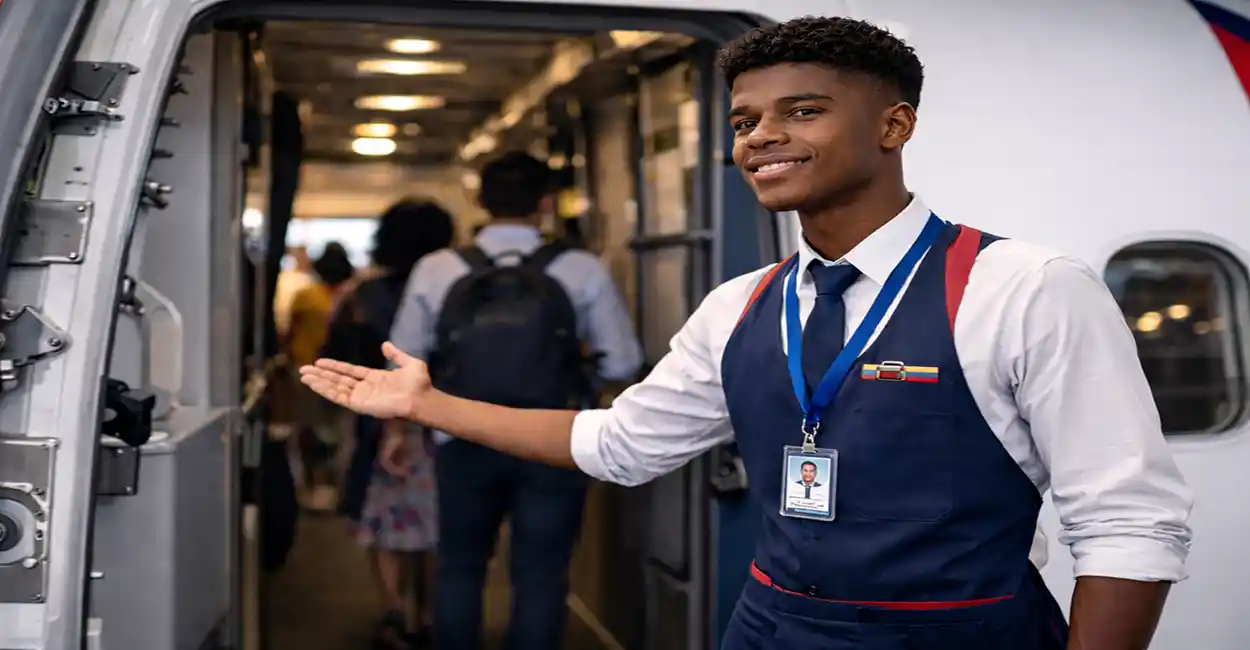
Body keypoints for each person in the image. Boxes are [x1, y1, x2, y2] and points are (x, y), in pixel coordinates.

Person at [301, 16, 1194, 650]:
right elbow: (617, 445)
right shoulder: (740, 306)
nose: (761, 137)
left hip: (957, 631)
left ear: (895, 125)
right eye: (743, 122)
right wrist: (430, 403)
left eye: (801, 111)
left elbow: (1129, 524)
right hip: (772, 625)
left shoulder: (1024, 288)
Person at [382, 150, 642, 650]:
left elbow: (403, 358)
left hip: (461, 435)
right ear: (545, 203)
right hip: (555, 439)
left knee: (459, 567)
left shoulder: (437, 268)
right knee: (541, 575)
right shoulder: (581, 268)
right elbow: (622, 362)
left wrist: (398, 432)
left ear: (478, 200)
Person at [320, 199, 456, 649]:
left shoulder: (363, 295)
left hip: (378, 421)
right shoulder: (455, 282)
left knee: (384, 520)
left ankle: (394, 610)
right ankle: (430, 613)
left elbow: (336, 351)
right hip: (445, 417)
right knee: (438, 522)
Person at [286, 241, 356, 511]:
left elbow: (289, 334)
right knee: (337, 432)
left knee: (311, 431)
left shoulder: (307, 295)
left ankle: (315, 486)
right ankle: (333, 487)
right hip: (339, 372)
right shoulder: (351, 296)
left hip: (308, 369)